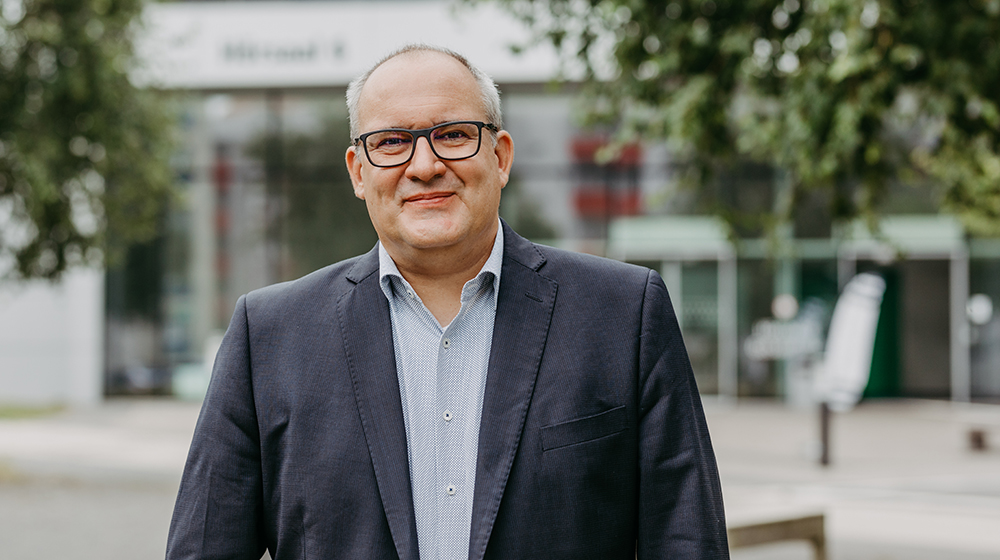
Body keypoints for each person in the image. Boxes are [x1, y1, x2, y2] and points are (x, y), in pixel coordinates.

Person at [166, 44, 728, 560]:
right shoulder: (268, 335)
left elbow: (687, 543)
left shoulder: (622, 313)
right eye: (390, 142)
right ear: (358, 173)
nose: (425, 165)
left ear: (501, 156)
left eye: (454, 134)